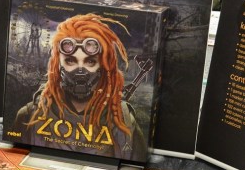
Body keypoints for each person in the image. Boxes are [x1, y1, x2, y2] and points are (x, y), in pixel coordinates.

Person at [11, 13, 147, 161]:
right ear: (57, 65)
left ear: (103, 67)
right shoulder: (29, 116)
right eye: (70, 61)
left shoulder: (124, 122)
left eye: (90, 62)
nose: (80, 70)